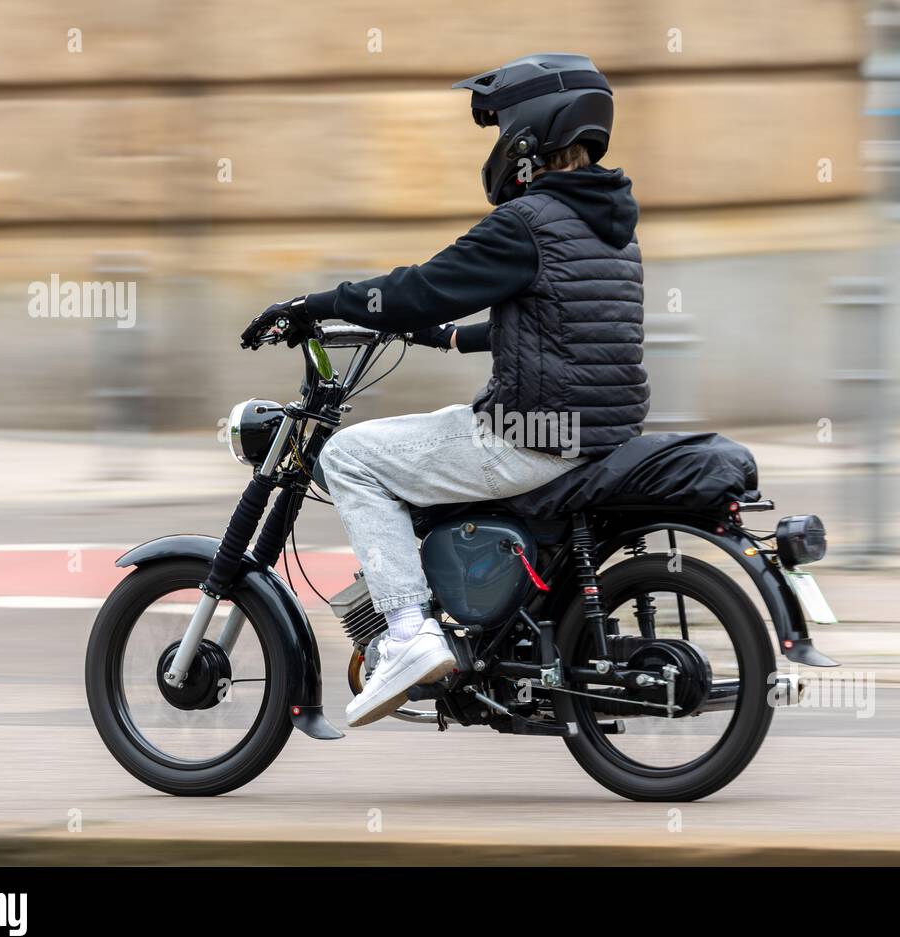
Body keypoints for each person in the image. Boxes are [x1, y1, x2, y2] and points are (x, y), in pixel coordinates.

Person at [241, 53, 649, 726]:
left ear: (528, 133)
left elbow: (420, 289)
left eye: (500, 131)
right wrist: (453, 339)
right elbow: (567, 323)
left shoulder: (527, 223)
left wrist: (315, 305)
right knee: (428, 440)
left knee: (351, 457)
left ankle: (408, 635)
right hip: (593, 432)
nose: (497, 148)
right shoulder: (608, 226)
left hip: (529, 434)